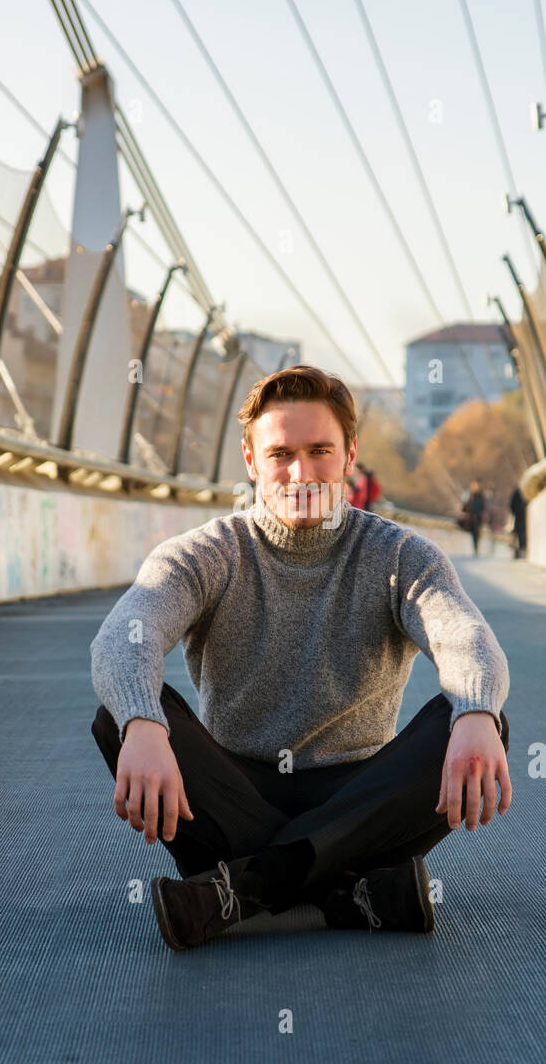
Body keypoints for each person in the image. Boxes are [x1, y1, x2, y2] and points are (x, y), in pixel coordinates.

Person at [90, 365, 511, 952]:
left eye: (320, 451)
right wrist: (141, 722)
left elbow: (464, 636)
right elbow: (120, 638)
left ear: (350, 455)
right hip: (235, 793)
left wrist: (474, 713)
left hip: (359, 796)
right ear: (250, 458)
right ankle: (350, 891)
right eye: (281, 453)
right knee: (119, 715)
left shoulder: (399, 555)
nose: (300, 473)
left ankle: (244, 888)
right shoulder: (207, 554)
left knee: (476, 718)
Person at [460, 480, 485, 557]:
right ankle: (472, 549)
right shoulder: (469, 495)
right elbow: (464, 506)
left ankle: (476, 549)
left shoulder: (480, 496)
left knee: (476, 534)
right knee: (472, 533)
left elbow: (483, 507)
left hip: (477, 518)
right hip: (470, 518)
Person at [509, 485, 527, 559]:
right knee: (519, 534)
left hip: (520, 517)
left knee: (519, 534)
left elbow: (511, 505)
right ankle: (519, 551)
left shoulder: (518, 493)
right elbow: (512, 505)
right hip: (520, 517)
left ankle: (520, 551)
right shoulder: (519, 493)